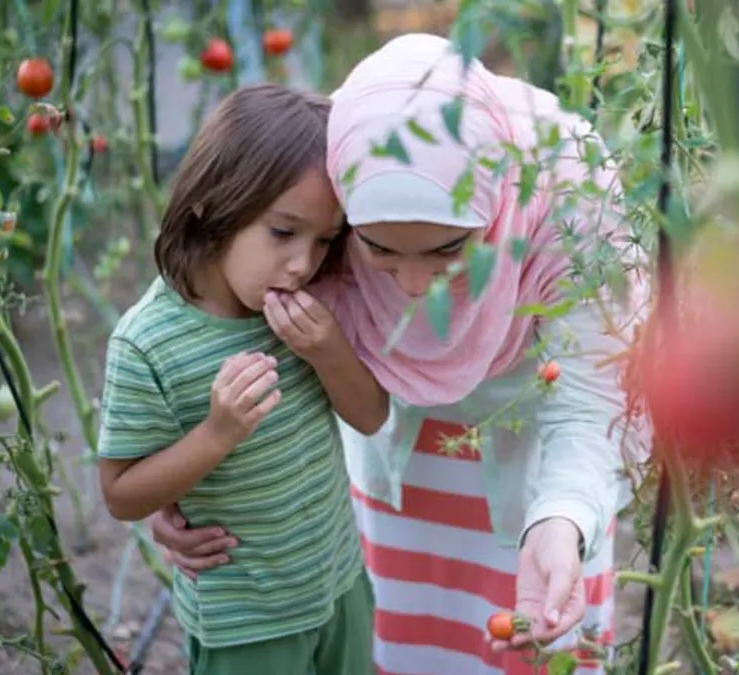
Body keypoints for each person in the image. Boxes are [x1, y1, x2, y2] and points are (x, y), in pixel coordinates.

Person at [149, 34, 650, 675]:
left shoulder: (571, 199)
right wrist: (176, 475)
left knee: (535, 643)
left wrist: (561, 522)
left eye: (448, 249)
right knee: (406, 643)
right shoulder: (333, 158)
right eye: (377, 249)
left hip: (542, 474)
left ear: (500, 207)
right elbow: (210, 283)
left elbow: (589, 401)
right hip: (397, 475)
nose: (413, 286)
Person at [96, 84, 386, 675]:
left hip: (340, 583)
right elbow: (122, 494)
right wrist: (216, 435)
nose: (302, 263)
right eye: (283, 232)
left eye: (324, 240)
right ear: (212, 205)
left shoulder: (311, 305)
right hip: (247, 622)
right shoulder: (147, 343)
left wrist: (329, 350)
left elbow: (371, 416)